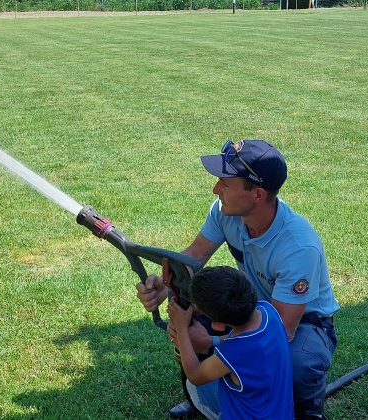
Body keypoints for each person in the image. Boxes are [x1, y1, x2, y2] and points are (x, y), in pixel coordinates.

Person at [136, 139, 340, 420]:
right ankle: (204, 397)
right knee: (184, 318)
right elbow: (195, 256)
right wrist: (165, 284)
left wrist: (213, 344)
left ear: (256, 194)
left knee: (296, 364)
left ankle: (306, 410)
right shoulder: (226, 212)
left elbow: (280, 332)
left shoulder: (298, 247)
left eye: (225, 183)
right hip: (248, 307)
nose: (215, 189)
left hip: (303, 322)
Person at [167, 266, 293, 420]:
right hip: (278, 413)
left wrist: (181, 329)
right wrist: (212, 339)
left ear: (218, 325)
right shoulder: (268, 311)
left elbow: (195, 375)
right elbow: (247, 345)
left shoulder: (231, 353)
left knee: (192, 384)